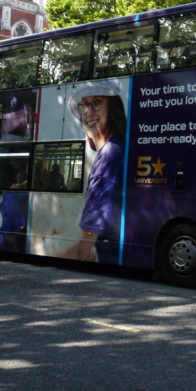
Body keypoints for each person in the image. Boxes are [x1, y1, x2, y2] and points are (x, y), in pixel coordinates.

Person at [68, 83, 126, 262]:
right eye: (85, 104)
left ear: (112, 109)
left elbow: (88, 235)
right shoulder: (117, 147)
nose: (89, 112)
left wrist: (75, 254)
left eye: (97, 102)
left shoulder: (109, 155)